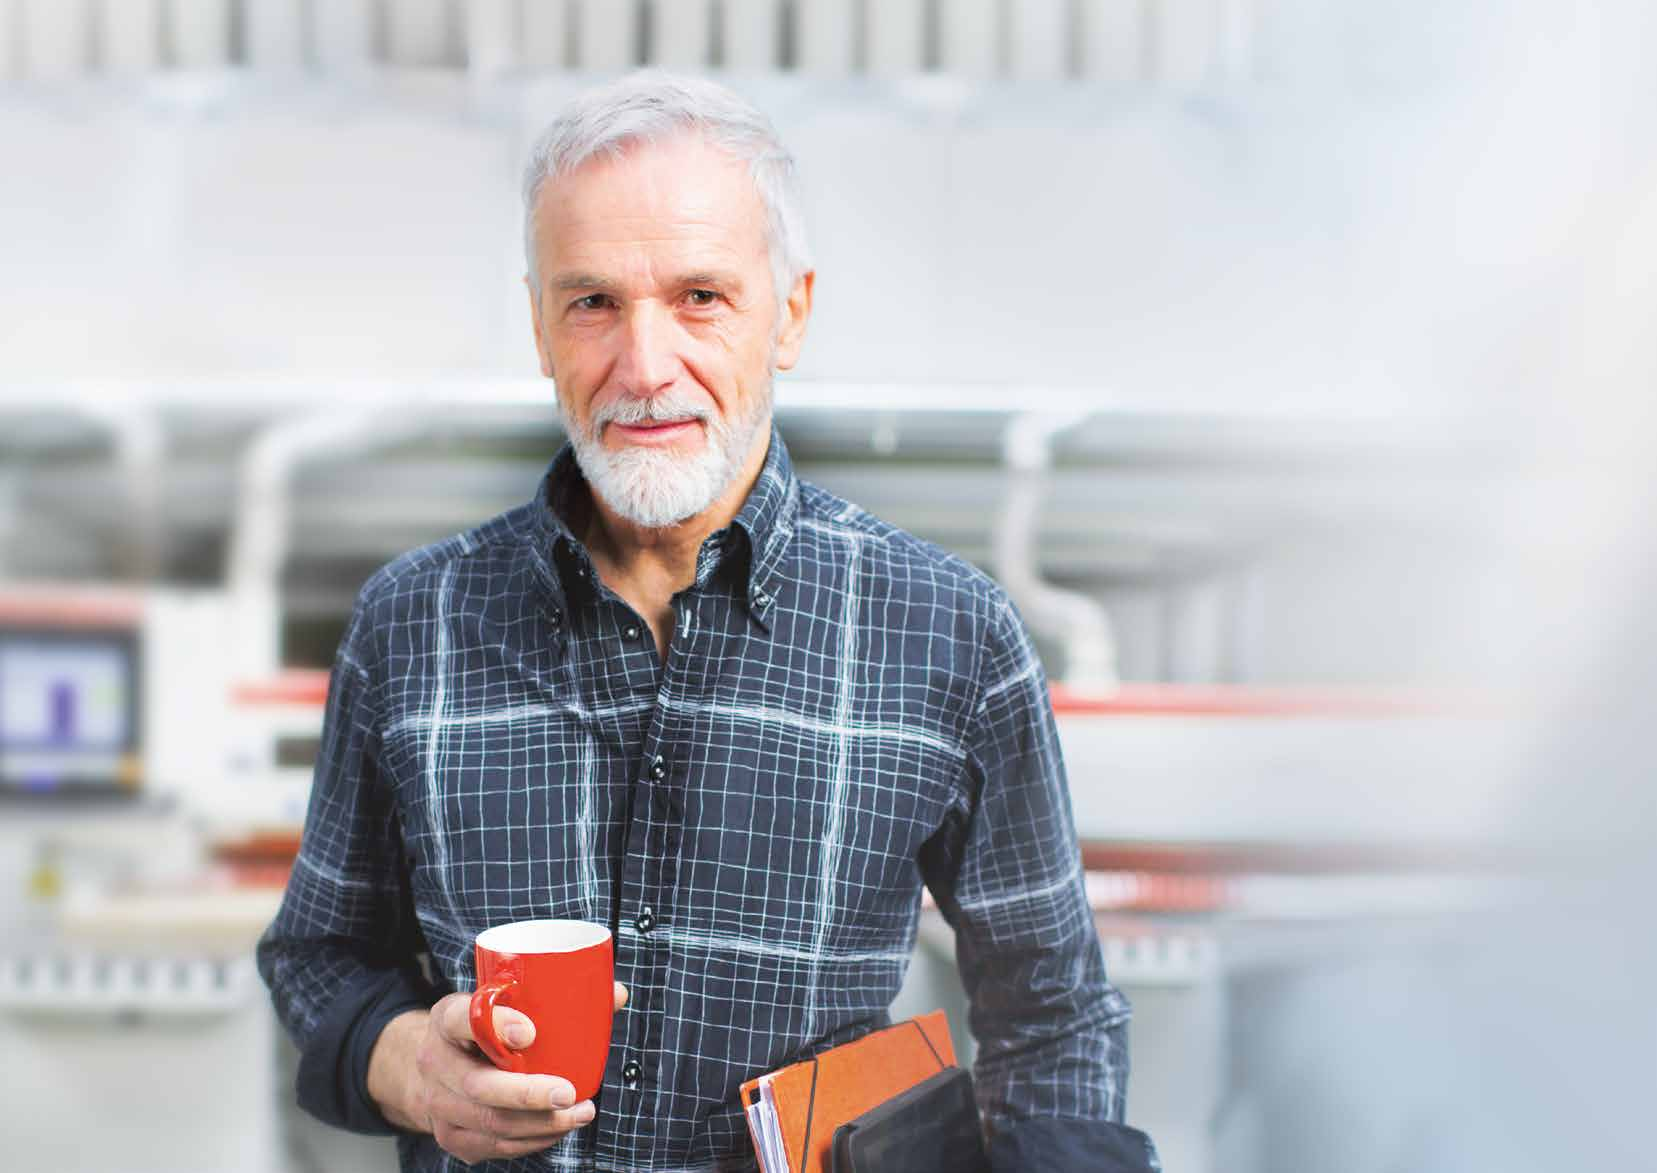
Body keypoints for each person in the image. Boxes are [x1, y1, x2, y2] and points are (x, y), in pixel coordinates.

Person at [257, 71, 1159, 1173]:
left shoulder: (949, 637)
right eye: (592, 302)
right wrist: (407, 1065)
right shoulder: (413, 625)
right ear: (540, 326)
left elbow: (1052, 1019)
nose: (643, 368)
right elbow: (319, 955)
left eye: (700, 298)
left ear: (790, 313)